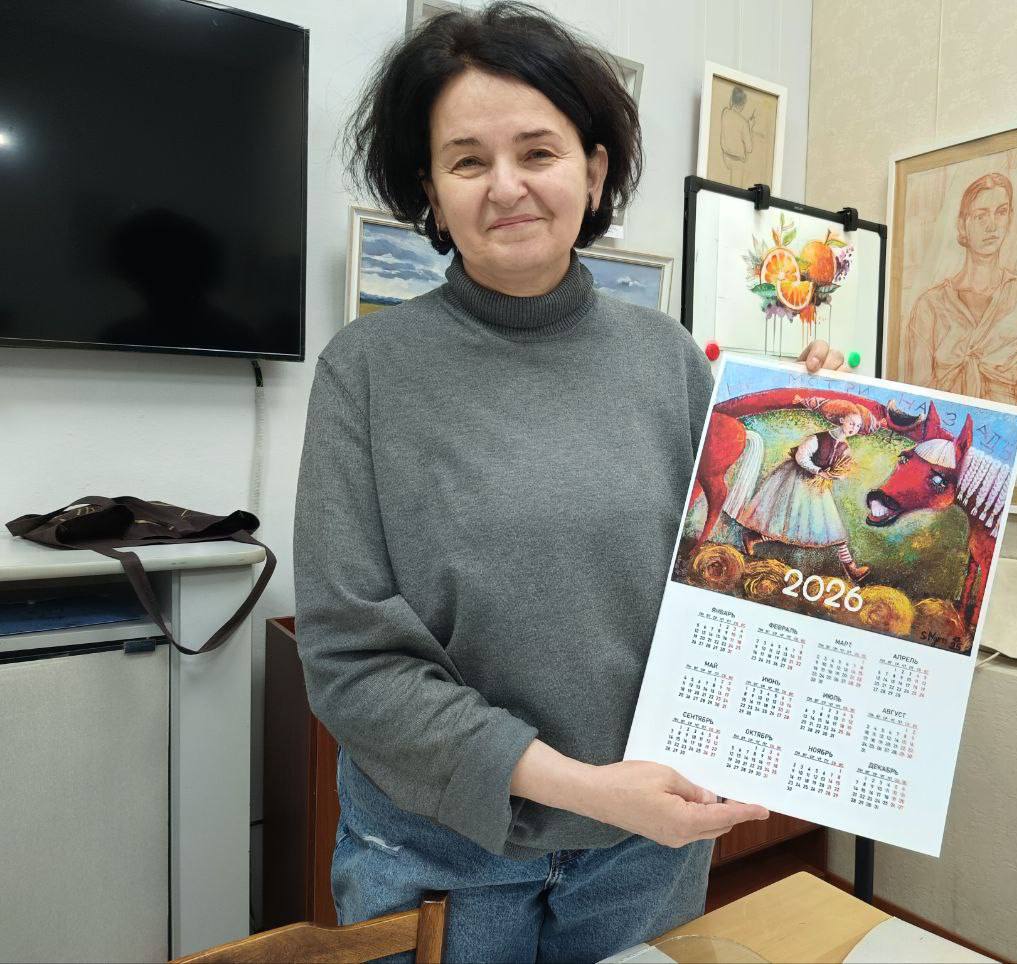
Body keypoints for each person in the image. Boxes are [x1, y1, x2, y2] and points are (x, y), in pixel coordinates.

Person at [293, 4, 853, 962]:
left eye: (538, 151)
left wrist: (821, 421)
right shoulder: (367, 370)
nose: (506, 185)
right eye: (467, 160)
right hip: (439, 854)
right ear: (430, 190)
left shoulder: (670, 361)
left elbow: (742, 574)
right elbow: (353, 665)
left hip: (643, 855)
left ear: (593, 173)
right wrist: (586, 788)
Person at [904, 172, 1017, 467]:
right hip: (944, 452)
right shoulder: (930, 306)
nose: (992, 225)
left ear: (1010, 218)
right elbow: (917, 402)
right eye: (980, 215)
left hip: (1006, 453)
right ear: (963, 225)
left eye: (1000, 212)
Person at [734, 398, 875, 583]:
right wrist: (818, 471)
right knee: (786, 521)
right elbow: (801, 456)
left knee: (832, 527)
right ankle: (753, 538)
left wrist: (837, 475)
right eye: (851, 423)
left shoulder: (845, 447)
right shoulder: (818, 438)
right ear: (842, 420)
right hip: (796, 480)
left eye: (857, 426)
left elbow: (843, 469)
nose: (853, 428)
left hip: (816, 487)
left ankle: (851, 568)